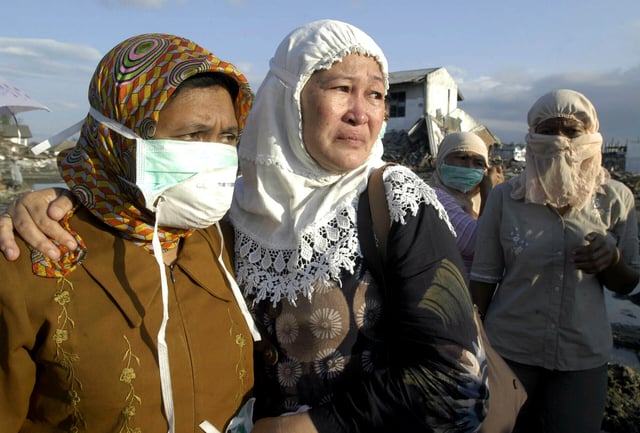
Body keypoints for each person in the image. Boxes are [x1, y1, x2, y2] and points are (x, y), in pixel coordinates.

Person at [0, 20, 489, 432]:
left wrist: (314, 426)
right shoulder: (223, 213)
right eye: (341, 88)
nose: (361, 113)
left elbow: (455, 379)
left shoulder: (394, 202)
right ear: (288, 98)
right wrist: (56, 200)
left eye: (377, 95)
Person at [0, 33, 259, 433]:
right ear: (118, 139)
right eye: (193, 135)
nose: (217, 157)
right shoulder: (31, 259)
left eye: (228, 137)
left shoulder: (219, 239)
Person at [468, 89, 640, 433]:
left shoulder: (615, 199)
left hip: (582, 356)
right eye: (548, 131)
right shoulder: (506, 198)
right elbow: (484, 277)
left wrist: (612, 259)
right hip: (510, 352)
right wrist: (472, 346)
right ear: (533, 136)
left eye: (572, 132)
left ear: (591, 136)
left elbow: (627, 283)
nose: (560, 141)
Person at [429, 131, 503, 275]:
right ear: (442, 159)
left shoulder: (476, 201)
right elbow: (480, 244)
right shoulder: (435, 199)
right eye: (462, 158)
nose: (469, 166)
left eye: (478, 163)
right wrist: (490, 195)